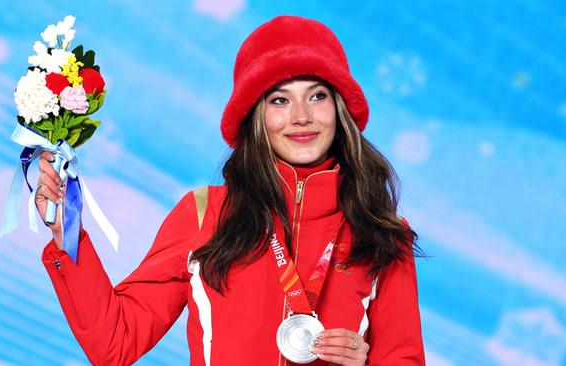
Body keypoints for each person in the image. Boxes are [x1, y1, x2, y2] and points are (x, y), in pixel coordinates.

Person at [35, 15, 425, 366]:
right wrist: (66, 235)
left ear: (339, 107)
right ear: (255, 116)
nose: (301, 116)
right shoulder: (204, 214)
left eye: (317, 95)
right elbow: (115, 344)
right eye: (280, 100)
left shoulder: (383, 233)